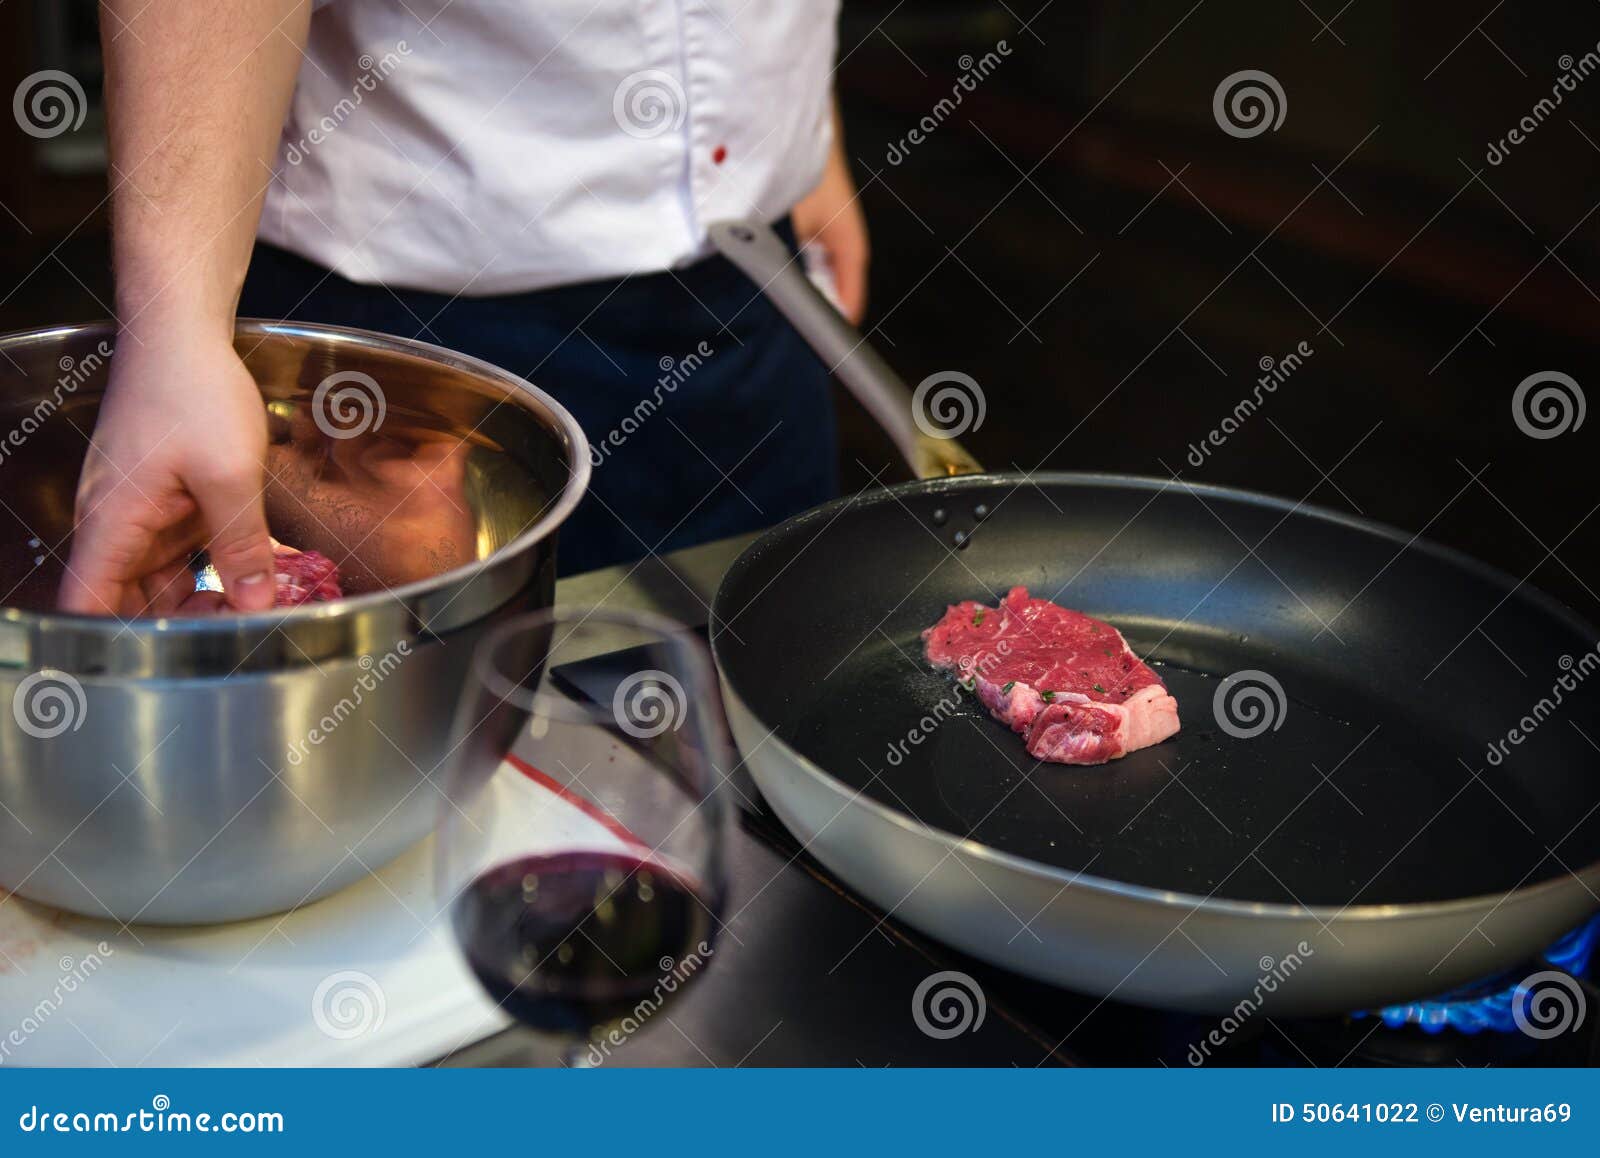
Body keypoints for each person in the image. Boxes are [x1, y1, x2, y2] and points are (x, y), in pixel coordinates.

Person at [60, 0, 866, 615]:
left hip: (753, 296)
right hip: (404, 347)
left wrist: (795, 120)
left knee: (767, 722)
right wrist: (174, 324)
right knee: (384, 778)